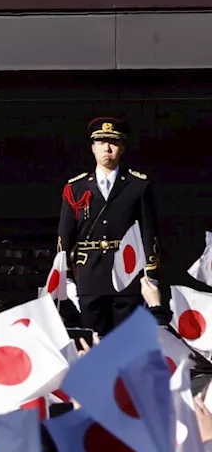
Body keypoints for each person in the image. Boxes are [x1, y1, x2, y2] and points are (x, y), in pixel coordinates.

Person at [56, 117, 158, 335]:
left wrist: (151, 274)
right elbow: (65, 236)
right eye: (101, 142)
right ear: (92, 147)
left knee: (126, 340)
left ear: (122, 148)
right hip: (89, 274)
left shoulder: (138, 186)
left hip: (127, 273)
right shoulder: (75, 187)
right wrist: (66, 278)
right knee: (93, 339)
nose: (107, 148)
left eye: (113, 142)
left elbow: (149, 232)